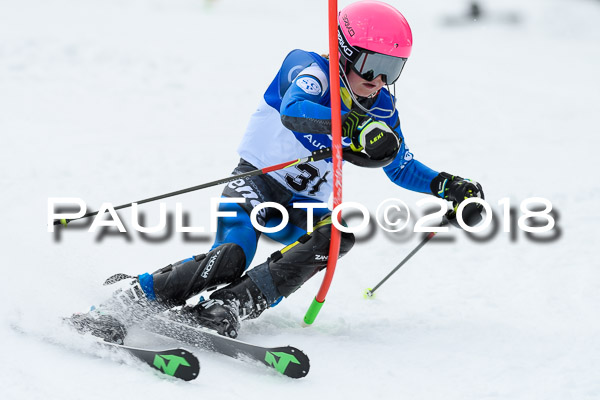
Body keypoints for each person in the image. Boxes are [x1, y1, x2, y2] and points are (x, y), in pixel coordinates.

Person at [70, 0, 484, 344]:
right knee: (232, 255)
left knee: (337, 234)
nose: (378, 81)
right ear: (344, 50)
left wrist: (449, 186)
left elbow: (401, 166)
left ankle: (230, 305)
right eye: (372, 65)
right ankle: (135, 295)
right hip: (254, 182)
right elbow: (294, 112)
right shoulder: (307, 68)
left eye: (391, 71)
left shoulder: (382, 108)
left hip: (301, 204)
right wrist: (351, 128)